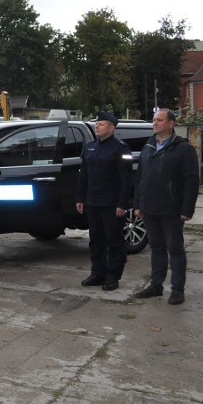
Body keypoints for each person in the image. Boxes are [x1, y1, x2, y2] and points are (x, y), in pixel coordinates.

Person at [133, 109, 199, 305]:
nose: (155, 123)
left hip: (172, 209)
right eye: (154, 120)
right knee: (156, 247)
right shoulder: (148, 146)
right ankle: (156, 285)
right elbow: (139, 179)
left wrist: (187, 209)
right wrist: (138, 204)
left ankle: (177, 289)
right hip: (150, 208)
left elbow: (191, 180)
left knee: (175, 249)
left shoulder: (183, 149)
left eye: (159, 120)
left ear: (171, 124)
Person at [75, 111, 133, 291]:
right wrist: (80, 197)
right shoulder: (91, 147)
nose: (97, 126)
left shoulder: (120, 148)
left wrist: (122, 203)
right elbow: (83, 175)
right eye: (96, 123)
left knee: (114, 240)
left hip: (111, 203)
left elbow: (126, 178)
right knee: (96, 240)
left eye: (101, 124)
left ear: (111, 128)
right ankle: (97, 273)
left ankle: (113, 276)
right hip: (93, 201)